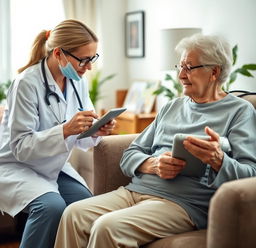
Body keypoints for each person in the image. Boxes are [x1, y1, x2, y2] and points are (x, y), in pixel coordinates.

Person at [54, 34, 256, 248]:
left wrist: (218, 160)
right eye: (180, 66)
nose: (180, 75)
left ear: (214, 71)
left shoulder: (239, 111)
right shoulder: (172, 106)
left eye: (189, 68)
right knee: (73, 214)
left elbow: (250, 174)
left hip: (183, 204)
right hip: (135, 192)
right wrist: (153, 165)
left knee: (107, 227)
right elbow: (130, 155)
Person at [0, 19, 116, 248]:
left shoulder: (77, 81)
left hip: (53, 165)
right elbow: (21, 148)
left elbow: (82, 137)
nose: (88, 66)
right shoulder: (26, 83)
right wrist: (64, 130)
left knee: (85, 207)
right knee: (51, 208)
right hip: (15, 165)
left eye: (92, 58)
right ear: (58, 54)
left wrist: (96, 130)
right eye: (83, 59)